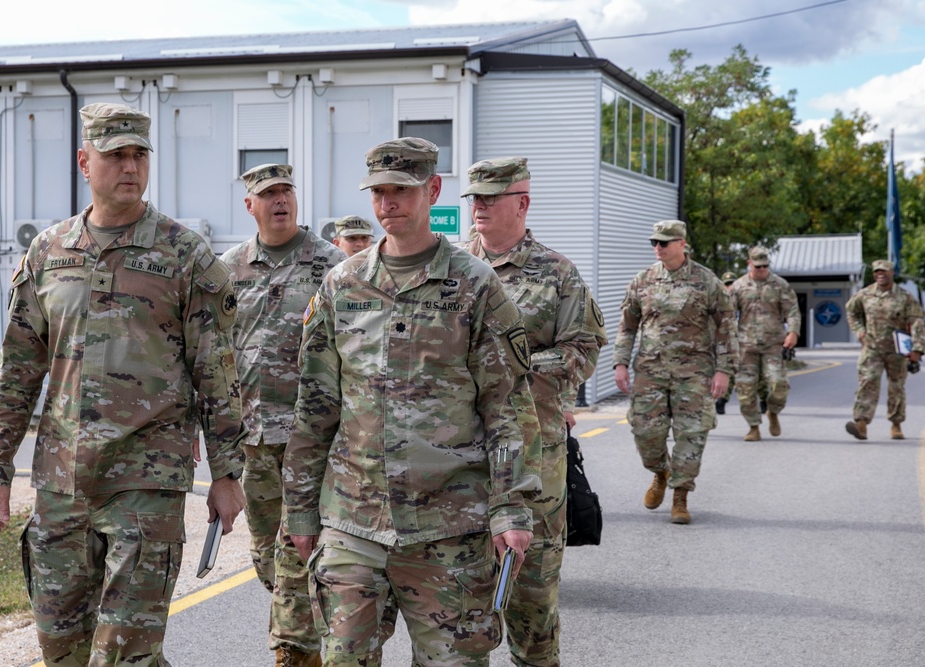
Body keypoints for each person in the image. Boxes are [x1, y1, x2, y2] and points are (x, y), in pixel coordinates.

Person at [0, 102, 246, 666]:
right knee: (62, 648)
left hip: (146, 482)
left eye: (139, 154)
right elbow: (18, 368)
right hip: (61, 483)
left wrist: (228, 473)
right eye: (115, 154)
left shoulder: (183, 253)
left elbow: (215, 372)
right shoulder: (49, 252)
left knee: (125, 654)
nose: (129, 167)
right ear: (84, 161)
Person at [282, 137, 539, 666]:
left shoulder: (474, 285)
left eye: (401, 190)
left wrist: (511, 507)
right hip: (353, 518)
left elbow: (505, 406)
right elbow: (314, 410)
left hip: (451, 525)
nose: (386, 204)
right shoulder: (342, 285)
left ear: (433, 190)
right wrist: (301, 513)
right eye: (378, 191)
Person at [459, 156, 607, 667]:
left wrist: (508, 364)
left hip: (533, 460)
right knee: (457, 613)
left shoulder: (557, 273)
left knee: (531, 606)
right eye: (474, 198)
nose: (478, 207)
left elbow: (583, 349)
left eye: (490, 198)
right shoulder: (452, 268)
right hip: (459, 462)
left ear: (521, 203)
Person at [220, 164, 347, 666]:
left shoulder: (332, 266)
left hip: (312, 441)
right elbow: (214, 352)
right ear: (249, 206)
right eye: (267, 194)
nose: (279, 201)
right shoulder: (227, 270)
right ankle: (308, 628)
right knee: (268, 558)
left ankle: (295, 650)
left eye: (286, 191)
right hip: (253, 439)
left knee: (299, 552)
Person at [612, 220, 738, 524]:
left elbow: (726, 328)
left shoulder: (707, 282)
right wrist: (620, 362)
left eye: (664, 242)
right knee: (645, 432)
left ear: (681, 243)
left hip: (694, 372)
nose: (658, 247)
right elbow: (627, 326)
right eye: (655, 242)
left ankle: (680, 495)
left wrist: (724, 370)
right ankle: (660, 472)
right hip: (650, 371)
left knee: (692, 434)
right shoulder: (642, 281)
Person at [844, 259, 925, 440]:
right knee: (868, 382)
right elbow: (851, 311)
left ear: (892, 273)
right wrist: (859, 331)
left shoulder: (905, 297)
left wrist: (917, 349)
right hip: (872, 348)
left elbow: (917, 322)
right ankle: (861, 424)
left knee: (896, 387)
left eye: (884, 271)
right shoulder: (865, 294)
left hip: (898, 350)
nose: (880, 275)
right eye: (877, 272)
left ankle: (896, 424)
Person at [729, 247, 801, 441]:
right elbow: (726, 313)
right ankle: (753, 426)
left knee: (779, 383)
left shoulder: (779, 285)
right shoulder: (738, 286)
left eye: (765, 266)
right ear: (749, 264)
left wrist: (793, 332)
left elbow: (792, 310)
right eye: (757, 266)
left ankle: (773, 411)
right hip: (746, 346)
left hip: (774, 344)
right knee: (745, 388)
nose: (761, 269)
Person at [716, 271, 738, 415]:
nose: (730, 287)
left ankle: (762, 400)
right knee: (727, 369)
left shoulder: (741, 295)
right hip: (724, 339)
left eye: (732, 284)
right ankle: (721, 399)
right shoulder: (719, 298)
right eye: (727, 284)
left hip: (742, 338)